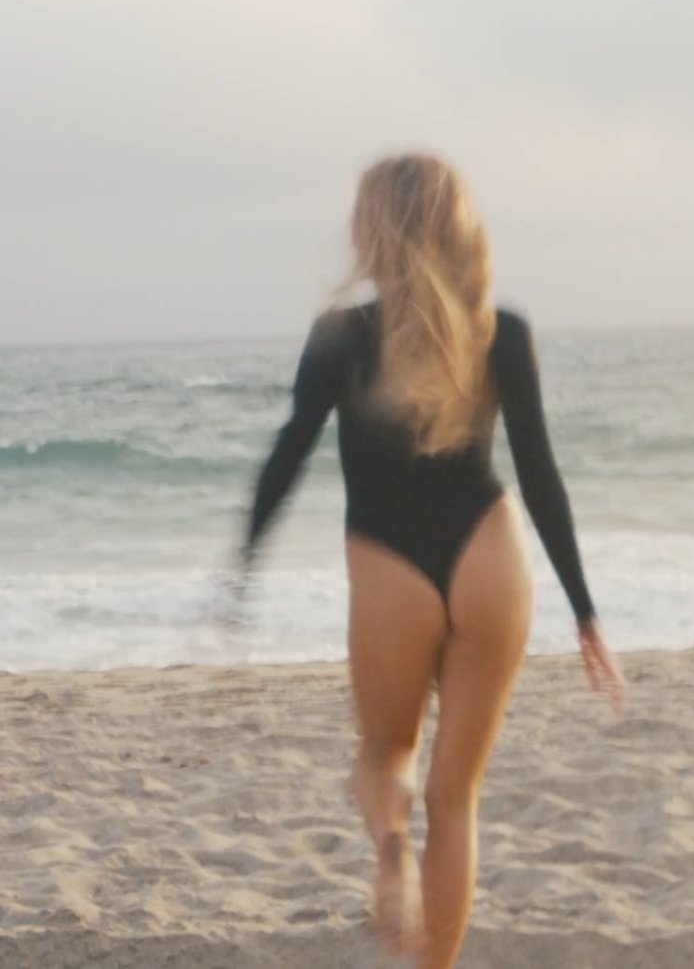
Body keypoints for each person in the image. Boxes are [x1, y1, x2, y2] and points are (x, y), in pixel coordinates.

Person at [232, 152, 625, 967]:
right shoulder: (499, 329)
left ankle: (390, 850)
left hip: (389, 568)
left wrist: (243, 559)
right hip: (491, 556)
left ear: (374, 229)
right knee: (458, 797)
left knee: (386, 755)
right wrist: (584, 608)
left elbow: (290, 452)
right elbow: (540, 473)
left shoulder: (339, 336)